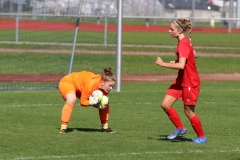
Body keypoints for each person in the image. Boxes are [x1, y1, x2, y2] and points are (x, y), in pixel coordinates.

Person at [155, 18, 206, 144]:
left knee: (188, 112)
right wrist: (177, 61)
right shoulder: (184, 42)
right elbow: (193, 55)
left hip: (190, 82)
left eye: (171, 29)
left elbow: (182, 66)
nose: (169, 31)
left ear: (180, 30)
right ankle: (180, 128)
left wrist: (163, 64)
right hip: (181, 80)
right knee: (165, 104)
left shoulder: (183, 44)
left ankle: (201, 137)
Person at [58, 67, 116, 134]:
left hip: (81, 87)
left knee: (104, 102)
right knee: (71, 99)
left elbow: (99, 103)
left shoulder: (105, 87)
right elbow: (82, 102)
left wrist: (100, 104)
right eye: (110, 85)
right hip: (68, 82)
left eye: (112, 86)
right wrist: (92, 102)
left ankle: (105, 127)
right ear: (103, 82)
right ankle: (63, 128)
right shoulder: (91, 85)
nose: (111, 88)